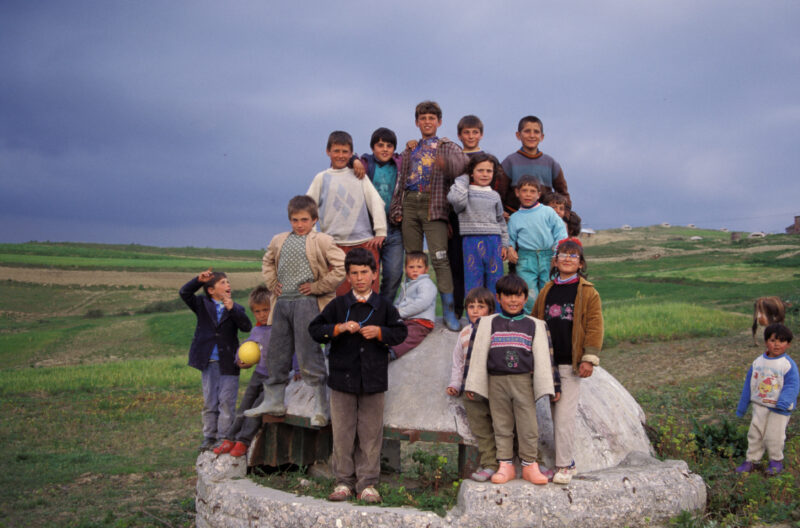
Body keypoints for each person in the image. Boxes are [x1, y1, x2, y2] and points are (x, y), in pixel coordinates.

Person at [308, 248, 408, 503]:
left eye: (365, 272)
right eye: (354, 273)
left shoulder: (384, 305)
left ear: (375, 275)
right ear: (347, 277)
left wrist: (380, 333)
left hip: (373, 380)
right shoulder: (339, 305)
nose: (360, 278)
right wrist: (338, 328)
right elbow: (315, 329)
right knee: (342, 432)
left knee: (370, 434)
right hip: (342, 380)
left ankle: (367, 484)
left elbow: (400, 333)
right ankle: (343, 482)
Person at [244, 195, 345, 427]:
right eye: (294, 220)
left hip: (306, 303)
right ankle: (274, 400)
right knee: (277, 351)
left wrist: (318, 287)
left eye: (304, 220)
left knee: (308, 351)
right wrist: (271, 283)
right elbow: (267, 262)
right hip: (282, 303)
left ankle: (320, 406)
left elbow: (340, 267)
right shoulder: (279, 240)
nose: (299, 224)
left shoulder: (322, 240)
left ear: (314, 219)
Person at [463, 274, 560, 485]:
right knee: (502, 425)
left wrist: (554, 385)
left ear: (526, 298)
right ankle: (505, 465)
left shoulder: (534, 325)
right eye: (508, 296)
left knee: (528, 425)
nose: (513, 300)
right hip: (496, 382)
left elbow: (546, 357)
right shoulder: (489, 323)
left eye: (518, 296)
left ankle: (530, 465)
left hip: (524, 382)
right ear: (498, 298)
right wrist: (469, 383)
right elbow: (475, 355)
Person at [389, 101, 469, 331]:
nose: (427, 122)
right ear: (417, 122)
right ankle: (410, 308)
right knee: (412, 257)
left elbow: (464, 165)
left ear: (439, 122)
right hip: (410, 203)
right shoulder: (410, 149)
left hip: (434, 205)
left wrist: (447, 163)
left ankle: (449, 312)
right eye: (423, 118)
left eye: (431, 118)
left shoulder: (447, 146)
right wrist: (397, 208)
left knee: (440, 258)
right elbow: (400, 182)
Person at [532, 237, 603, 484]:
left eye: (573, 256)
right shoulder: (547, 290)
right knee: (553, 411)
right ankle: (557, 461)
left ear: (581, 263)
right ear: (555, 260)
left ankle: (564, 465)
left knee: (563, 416)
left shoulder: (587, 292)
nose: (568, 259)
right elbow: (536, 321)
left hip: (570, 364)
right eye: (563, 254)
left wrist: (589, 358)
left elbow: (594, 326)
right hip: (547, 362)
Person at [214, 286, 300, 457]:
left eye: (266, 310)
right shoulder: (257, 330)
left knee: (257, 408)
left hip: (276, 378)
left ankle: (243, 441)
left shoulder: (283, 328)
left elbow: (295, 349)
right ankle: (230, 438)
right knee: (244, 406)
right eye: (257, 311)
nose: (262, 314)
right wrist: (239, 360)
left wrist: (297, 369)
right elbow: (247, 347)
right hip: (258, 374)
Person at [307, 130, 387, 296]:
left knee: (368, 290)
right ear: (328, 151)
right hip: (334, 243)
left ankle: (370, 322)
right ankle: (341, 323)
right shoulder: (321, 178)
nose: (340, 155)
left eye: (345, 152)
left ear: (351, 154)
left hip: (364, 241)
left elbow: (376, 202)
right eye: (336, 151)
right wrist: (313, 238)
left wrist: (380, 231)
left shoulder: (359, 176)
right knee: (338, 293)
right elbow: (309, 208)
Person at [179, 269, 252, 451]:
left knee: (226, 403)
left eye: (228, 282)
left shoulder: (236, 308)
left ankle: (224, 437)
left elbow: (245, 326)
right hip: (208, 362)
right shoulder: (202, 304)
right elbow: (184, 293)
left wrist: (232, 309)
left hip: (229, 363)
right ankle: (209, 436)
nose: (228, 285)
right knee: (210, 402)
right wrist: (198, 280)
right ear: (211, 290)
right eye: (223, 283)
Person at [446, 287, 499, 481]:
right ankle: (489, 464)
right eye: (471, 306)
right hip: (472, 390)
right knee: (481, 429)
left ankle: (511, 462)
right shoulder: (464, 333)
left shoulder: (497, 329)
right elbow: (458, 362)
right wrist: (455, 384)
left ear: (490, 309)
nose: (475, 311)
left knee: (503, 426)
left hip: (495, 388)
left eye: (480, 306)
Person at [735, 323, 798, 476]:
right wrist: (742, 406)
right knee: (755, 434)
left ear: (788, 344)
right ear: (765, 342)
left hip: (779, 409)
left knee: (774, 436)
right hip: (759, 405)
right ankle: (751, 460)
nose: (776, 344)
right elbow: (749, 385)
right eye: (772, 340)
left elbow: (792, 385)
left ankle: (776, 461)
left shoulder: (787, 365)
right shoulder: (757, 363)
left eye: (782, 341)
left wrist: (783, 402)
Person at [447, 153, 510, 297]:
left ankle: (495, 317)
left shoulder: (495, 195)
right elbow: (455, 200)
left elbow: (500, 220)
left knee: (495, 280)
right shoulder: (464, 193)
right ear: (471, 172)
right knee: (473, 281)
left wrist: (505, 244)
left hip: (494, 241)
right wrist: (463, 180)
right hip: (470, 241)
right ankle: (475, 317)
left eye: (489, 171)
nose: (485, 174)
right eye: (480, 170)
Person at [507, 175, 567, 313]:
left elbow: (561, 233)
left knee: (550, 291)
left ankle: (550, 325)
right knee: (529, 293)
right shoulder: (515, 218)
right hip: (526, 259)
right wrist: (510, 248)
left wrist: (557, 254)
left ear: (539, 195)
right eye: (524, 190)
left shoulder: (548, 212)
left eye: (532, 191)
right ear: (517, 193)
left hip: (549, 257)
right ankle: (532, 324)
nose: (528, 194)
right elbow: (510, 237)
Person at [357, 127, 404, 302]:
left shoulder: (399, 164)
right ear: (372, 147)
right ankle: (367, 308)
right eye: (380, 145)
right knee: (368, 273)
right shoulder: (366, 164)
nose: (385, 149)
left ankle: (384, 308)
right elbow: (344, 161)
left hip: (394, 228)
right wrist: (354, 160)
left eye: (389, 146)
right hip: (370, 229)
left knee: (393, 273)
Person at [495, 115, 570, 218]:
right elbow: (499, 194)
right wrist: (502, 213)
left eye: (536, 132)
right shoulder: (509, 162)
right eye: (527, 131)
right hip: (515, 217)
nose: (532, 135)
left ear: (542, 137)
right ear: (518, 135)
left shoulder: (551, 163)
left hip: (543, 220)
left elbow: (563, 193)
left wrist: (565, 215)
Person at [390, 251, 437, 359]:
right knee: (392, 329)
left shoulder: (426, 284)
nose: (415, 270)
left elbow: (421, 303)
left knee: (411, 335)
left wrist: (400, 312)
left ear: (426, 269)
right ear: (406, 269)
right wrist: (393, 311)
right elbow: (399, 301)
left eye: (419, 267)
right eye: (411, 267)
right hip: (407, 319)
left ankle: (392, 352)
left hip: (421, 321)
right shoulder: (407, 283)